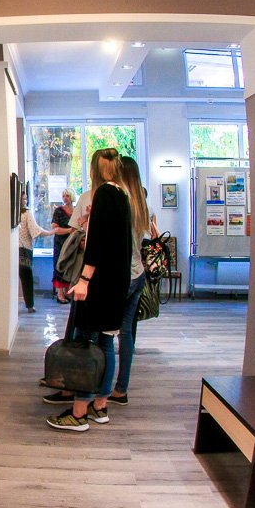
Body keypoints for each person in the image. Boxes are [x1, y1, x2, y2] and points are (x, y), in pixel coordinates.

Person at [45, 148, 132, 431]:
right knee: (106, 343)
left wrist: (84, 279)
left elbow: (98, 244)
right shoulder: (122, 194)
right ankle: (100, 406)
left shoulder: (104, 193)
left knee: (86, 344)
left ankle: (79, 413)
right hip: (116, 282)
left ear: (95, 169)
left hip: (100, 283)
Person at [109, 163, 154, 406]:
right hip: (138, 274)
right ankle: (121, 389)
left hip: (121, 276)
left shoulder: (121, 203)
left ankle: (96, 389)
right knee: (126, 333)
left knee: (103, 333)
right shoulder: (143, 205)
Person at [18, 193, 55, 313]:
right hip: (24, 248)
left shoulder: (11, 212)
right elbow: (35, 230)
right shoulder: (26, 213)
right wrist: (50, 233)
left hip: (13, 249)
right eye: (23, 199)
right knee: (27, 278)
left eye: (26, 199)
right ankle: (30, 305)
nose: (25, 201)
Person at [51, 188, 77, 303]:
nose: (65, 198)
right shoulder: (59, 211)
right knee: (60, 265)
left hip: (73, 243)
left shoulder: (76, 210)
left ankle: (68, 292)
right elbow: (54, 228)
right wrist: (69, 231)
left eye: (67, 196)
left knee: (70, 266)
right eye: (64, 196)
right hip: (60, 243)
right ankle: (60, 293)